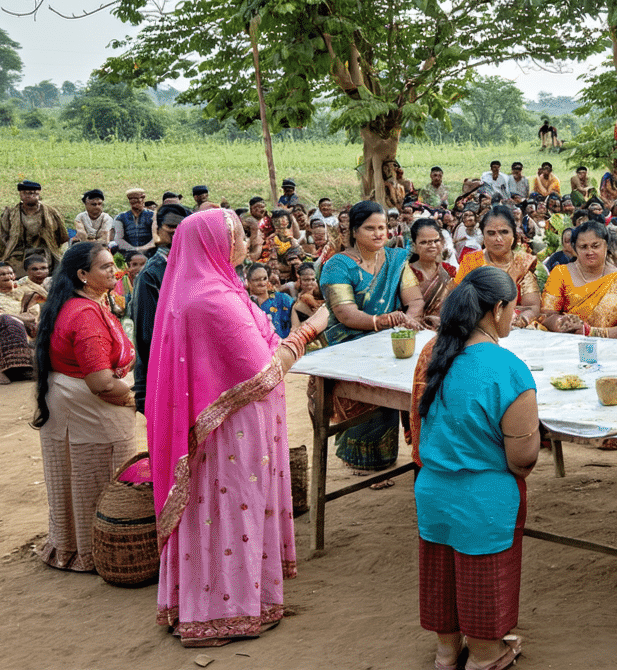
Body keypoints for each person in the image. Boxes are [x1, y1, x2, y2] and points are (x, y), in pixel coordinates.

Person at [147, 207, 327, 647]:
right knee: (232, 510)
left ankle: (215, 603)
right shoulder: (213, 299)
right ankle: (224, 612)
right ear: (217, 245)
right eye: (239, 236)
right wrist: (310, 331)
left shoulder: (203, 288)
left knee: (216, 512)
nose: (246, 242)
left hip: (221, 426)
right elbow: (264, 370)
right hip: (231, 428)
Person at [409, 268, 537, 670]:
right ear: (497, 309)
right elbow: (523, 459)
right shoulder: (508, 368)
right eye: (512, 309)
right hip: (484, 497)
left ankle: (447, 653)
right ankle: (486, 655)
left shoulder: (437, 355)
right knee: (484, 575)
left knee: (441, 571)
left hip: (432, 488)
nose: (514, 316)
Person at [30, 243, 136, 572]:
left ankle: (71, 546)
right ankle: (98, 551)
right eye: (105, 267)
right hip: (89, 406)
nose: (113, 271)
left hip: (66, 401)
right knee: (98, 478)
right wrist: (134, 398)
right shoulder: (86, 315)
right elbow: (102, 383)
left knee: (73, 476)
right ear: (83, 275)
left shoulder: (76, 304)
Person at [321, 201, 426, 476]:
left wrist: (410, 318)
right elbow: (345, 312)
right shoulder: (338, 265)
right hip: (349, 342)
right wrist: (379, 321)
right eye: (370, 228)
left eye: (383, 227)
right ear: (354, 231)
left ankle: (390, 459)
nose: (379, 233)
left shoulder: (394, 260)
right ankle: (358, 460)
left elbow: (414, 299)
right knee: (369, 390)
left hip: (388, 340)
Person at [129, 204, 188, 414]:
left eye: (181, 226)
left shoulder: (188, 266)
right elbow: (147, 335)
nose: (175, 231)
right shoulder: (151, 275)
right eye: (170, 226)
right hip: (162, 373)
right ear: (158, 229)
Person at [539, 221, 617, 339]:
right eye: (583, 247)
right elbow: (546, 316)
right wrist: (562, 323)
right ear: (574, 248)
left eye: (595, 246)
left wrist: (595, 333)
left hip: (612, 345)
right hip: (568, 344)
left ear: (606, 245)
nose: (590, 252)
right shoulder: (560, 273)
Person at [454, 207, 542, 328]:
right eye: (491, 233)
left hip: (518, 330)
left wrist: (522, 319)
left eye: (504, 232)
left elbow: (533, 306)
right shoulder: (471, 261)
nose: (498, 239)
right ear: (483, 236)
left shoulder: (523, 263)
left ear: (513, 235)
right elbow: (459, 301)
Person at [0, 180, 69, 276]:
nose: (29, 196)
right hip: (18, 253)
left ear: (38, 195)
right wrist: (7, 251)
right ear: (20, 195)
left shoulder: (51, 212)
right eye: (26, 193)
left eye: (33, 193)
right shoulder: (10, 213)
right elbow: (3, 236)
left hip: (44, 251)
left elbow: (62, 236)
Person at [409, 218, 456, 330]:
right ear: (414, 246)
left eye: (436, 241)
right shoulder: (405, 273)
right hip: (412, 331)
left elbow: (457, 305)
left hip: (445, 331)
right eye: (424, 242)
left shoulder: (449, 272)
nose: (432, 245)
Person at [246, 263, 294, 339]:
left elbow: (296, 322)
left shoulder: (282, 298)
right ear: (248, 282)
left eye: (264, 278)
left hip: (287, 344)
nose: (262, 283)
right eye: (257, 280)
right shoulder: (246, 305)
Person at [113, 188, 157, 260]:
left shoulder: (153, 216)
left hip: (150, 252)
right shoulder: (120, 217)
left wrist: (143, 249)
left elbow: (156, 238)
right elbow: (118, 238)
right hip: (128, 253)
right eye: (133, 201)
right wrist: (133, 249)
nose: (138, 202)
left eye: (140, 199)